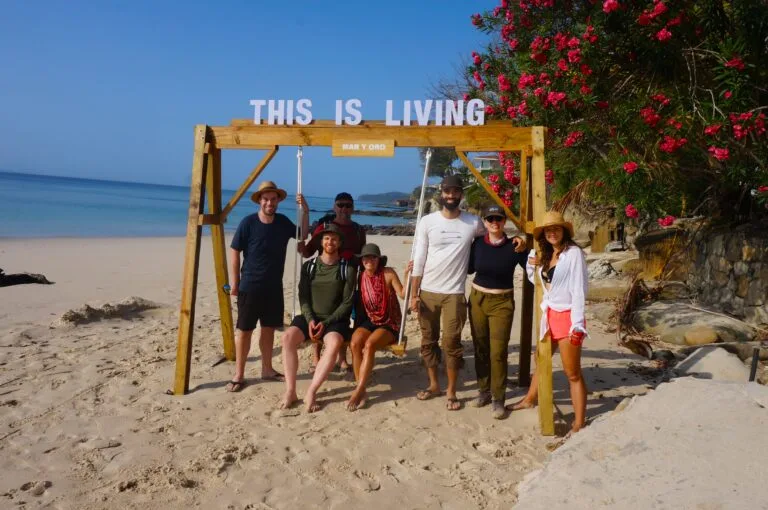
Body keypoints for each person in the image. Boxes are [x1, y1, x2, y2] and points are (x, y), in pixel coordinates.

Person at [409, 175, 525, 410]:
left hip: (454, 293)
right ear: (441, 193)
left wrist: (521, 239)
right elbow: (419, 258)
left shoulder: (473, 223)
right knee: (428, 341)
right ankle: (434, 385)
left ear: (461, 194)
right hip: (427, 291)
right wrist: (414, 293)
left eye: (455, 192)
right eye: (447, 191)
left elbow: (495, 237)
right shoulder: (427, 222)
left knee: (451, 342)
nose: (451, 196)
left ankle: (451, 391)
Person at [508, 211, 589, 435]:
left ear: (564, 231)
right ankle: (529, 399)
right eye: (548, 229)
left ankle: (579, 422)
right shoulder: (545, 253)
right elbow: (536, 281)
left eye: (556, 228)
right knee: (541, 359)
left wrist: (578, 324)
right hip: (549, 315)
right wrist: (532, 265)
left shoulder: (573, 254)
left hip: (568, 316)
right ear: (544, 233)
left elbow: (580, 289)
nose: (552, 232)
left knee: (572, 372)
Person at [226, 180, 309, 392]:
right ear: (259, 201)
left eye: (273, 199)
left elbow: (302, 235)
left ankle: (267, 369)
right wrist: (235, 282)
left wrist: (305, 210)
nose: (269, 203)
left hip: (274, 287)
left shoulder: (282, 222)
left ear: (278, 201)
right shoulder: (248, 223)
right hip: (249, 285)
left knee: (269, 329)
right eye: (266, 199)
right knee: (244, 330)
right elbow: (235, 251)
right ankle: (239, 374)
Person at [280, 223, 357, 412]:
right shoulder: (310, 266)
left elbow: (347, 302)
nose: (330, 241)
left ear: (339, 243)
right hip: (310, 316)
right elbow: (303, 296)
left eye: (334, 239)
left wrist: (326, 322)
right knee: (287, 338)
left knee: (334, 343)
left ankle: (312, 391)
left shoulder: (347, 269)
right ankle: (290, 390)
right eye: (326, 238)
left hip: (334, 320)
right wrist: (311, 319)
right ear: (321, 242)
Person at [467, 204, 529, 419]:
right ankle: (483, 391)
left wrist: (526, 241)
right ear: (484, 222)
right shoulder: (477, 244)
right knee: (480, 347)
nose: (494, 222)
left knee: (498, 352)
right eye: (490, 219)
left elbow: (532, 267)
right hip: (477, 299)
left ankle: (498, 398)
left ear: (504, 222)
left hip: (502, 302)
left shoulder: (515, 246)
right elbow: (465, 267)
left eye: (498, 219)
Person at [300, 192, 367, 374]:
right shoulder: (324, 227)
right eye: (340, 205)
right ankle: (316, 356)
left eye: (347, 205)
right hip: (324, 278)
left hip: (348, 279)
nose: (344, 209)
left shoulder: (359, 230)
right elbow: (308, 252)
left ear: (352, 208)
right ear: (334, 207)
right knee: (319, 311)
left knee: (344, 317)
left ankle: (342, 358)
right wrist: (301, 245)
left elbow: (363, 258)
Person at [346, 243, 406, 411]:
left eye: (373, 257)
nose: (369, 260)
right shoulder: (361, 276)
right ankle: (362, 389)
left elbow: (402, 294)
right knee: (355, 343)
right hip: (370, 320)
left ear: (379, 259)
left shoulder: (388, 273)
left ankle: (358, 390)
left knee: (370, 345)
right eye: (366, 257)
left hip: (388, 321)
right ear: (362, 260)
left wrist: (408, 275)